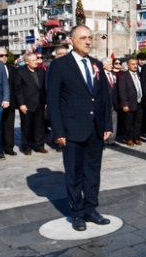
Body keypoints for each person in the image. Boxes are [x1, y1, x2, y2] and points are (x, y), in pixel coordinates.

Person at [46, 25, 112, 231]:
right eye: (83, 38)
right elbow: (53, 101)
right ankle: (77, 213)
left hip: (95, 128)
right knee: (74, 172)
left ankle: (91, 208)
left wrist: (107, 124)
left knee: (93, 171)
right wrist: (58, 131)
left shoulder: (96, 65)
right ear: (72, 41)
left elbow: (104, 97)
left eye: (90, 38)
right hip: (72, 128)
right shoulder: (59, 66)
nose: (88, 41)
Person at [14, 53, 47, 155]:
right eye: (33, 60)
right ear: (27, 62)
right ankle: (26, 147)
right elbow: (18, 90)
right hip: (27, 104)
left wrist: (45, 101)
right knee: (26, 126)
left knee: (40, 126)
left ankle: (40, 145)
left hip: (40, 103)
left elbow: (44, 87)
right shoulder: (20, 72)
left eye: (36, 59)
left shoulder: (41, 71)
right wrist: (21, 104)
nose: (36, 61)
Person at [0, 47, 17, 156]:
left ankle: (9, 147)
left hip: (11, 102)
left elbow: (16, 86)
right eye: (1, 55)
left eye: (5, 55)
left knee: (9, 126)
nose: (4, 58)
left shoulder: (12, 69)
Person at [118, 58, 144, 145]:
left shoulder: (138, 74)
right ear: (128, 65)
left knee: (138, 122)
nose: (135, 66)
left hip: (139, 102)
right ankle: (128, 138)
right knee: (128, 123)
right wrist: (124, 104)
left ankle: (136, 137)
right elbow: (122, 91)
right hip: (129, 103)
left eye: (136, 64)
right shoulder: (124, 76)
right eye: (133, 64)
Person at [102, 58, 119, 147]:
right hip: (104, 102)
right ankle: (104, 140)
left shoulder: (114, 75)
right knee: (105, 120)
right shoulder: (100, 76)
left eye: (111, 64)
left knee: (114, 120)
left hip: (114, 101)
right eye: (109, 64)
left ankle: (112, 139)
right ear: (104, 66)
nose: (111, 66)